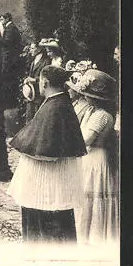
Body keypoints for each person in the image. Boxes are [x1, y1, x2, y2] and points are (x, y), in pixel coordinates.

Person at [8, 65, 87, 243]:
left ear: (45, 83)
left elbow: (49, 152)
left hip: (48, 185)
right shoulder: (58, 103)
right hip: (47, 183)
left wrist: (25, 146)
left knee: (47, 232)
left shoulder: (56, 108)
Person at [69, 69, 119, 245]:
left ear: (97, 97)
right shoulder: (91, 111)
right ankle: (84, 236)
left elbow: (85, 139)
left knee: (94, 197)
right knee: (86, 199)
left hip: (96, 160)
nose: (84, 97)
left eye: (87, 94)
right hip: (88, 158)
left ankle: (95, 238)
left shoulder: (102, 116)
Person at [0, 12, 22, 110]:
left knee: (9, 81)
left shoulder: (10, 29)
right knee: (8, 81)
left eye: (2, 19)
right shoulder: (10, 28)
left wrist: (0, 34)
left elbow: (7, 43)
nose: (1, 21)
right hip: (9, 59)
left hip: (10, 60)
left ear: (7, 19)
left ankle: (10, 104)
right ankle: (9, 103)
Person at [22, 42, 52, 122]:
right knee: (29, 120)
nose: (30, 51)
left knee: (38, 120)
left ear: (39, 49)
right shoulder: (33, 62)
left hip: (40, 95)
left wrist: (35, 80)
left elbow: (47, 77)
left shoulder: (46, 61)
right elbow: (30, 75)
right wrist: (27, 80)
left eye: (32, 48)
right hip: (31, 95)